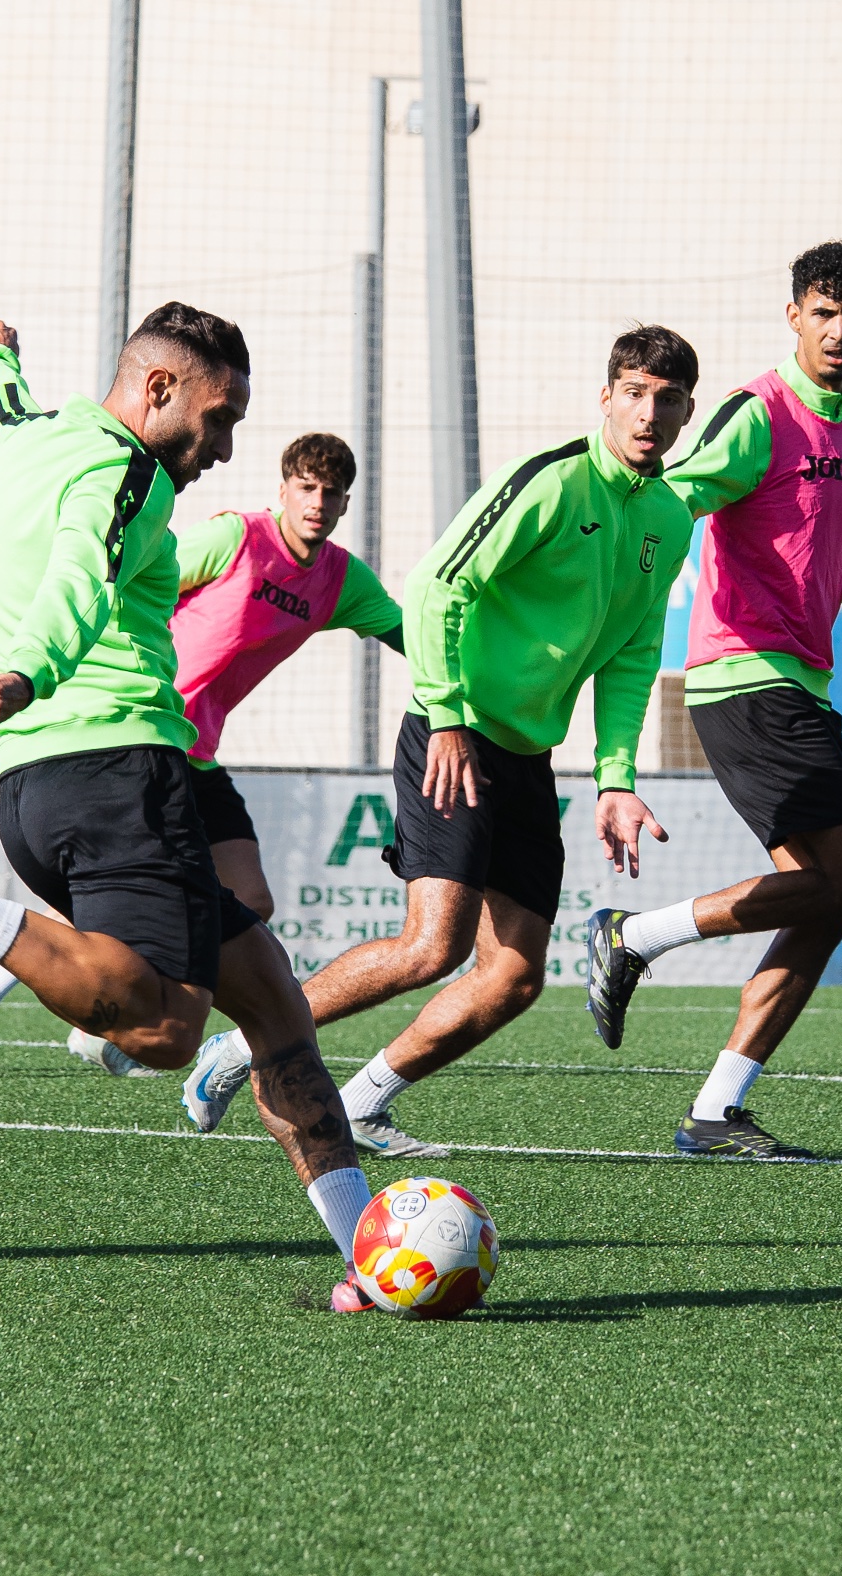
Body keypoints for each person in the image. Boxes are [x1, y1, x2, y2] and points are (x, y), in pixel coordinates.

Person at [0, 306, 383, 1311]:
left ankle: (364, 1253)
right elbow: (82, 576)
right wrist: (22, 676)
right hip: (112, 761)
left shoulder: (29, 431)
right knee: (161, 1031)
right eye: (218, 414)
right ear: (156, 390)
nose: (223, 445)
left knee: (274, 1006)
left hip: (55, 782)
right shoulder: (126, 472)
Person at [180, 325, 698, 1156]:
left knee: (514, 977)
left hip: (527, 756)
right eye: (634, 394)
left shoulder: (669, 521)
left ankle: (363, 1103)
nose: (648, 414)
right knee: (432, 947)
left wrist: (615, 775)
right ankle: (237, 1049)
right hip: (451, 736)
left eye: (666, 400)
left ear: (685, 414)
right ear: (606, 398)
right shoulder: (554, 483)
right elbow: (435, 586)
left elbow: (635, 655)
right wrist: (447, 712)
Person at [585, 241, 842, 1157]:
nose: (838, 331)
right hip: (744, 674)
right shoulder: (759, 412)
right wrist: (604, 574)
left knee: (827, 899)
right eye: (822, 313)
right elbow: (676, 494)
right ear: (795, 316)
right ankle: (636, 935)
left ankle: (716, 1111)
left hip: (797, 679)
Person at [0, 428, 404, 1079]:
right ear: (283, 490)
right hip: (139, 738)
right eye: (306, 487)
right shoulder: (236, 538)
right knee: (133, 906)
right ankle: (30, 1004)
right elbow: (130, 577)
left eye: (332, 492)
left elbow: (412, 634)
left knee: (246, 900)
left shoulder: (338, 579)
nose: (317, 502)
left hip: (194, 750)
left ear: (347, 503)